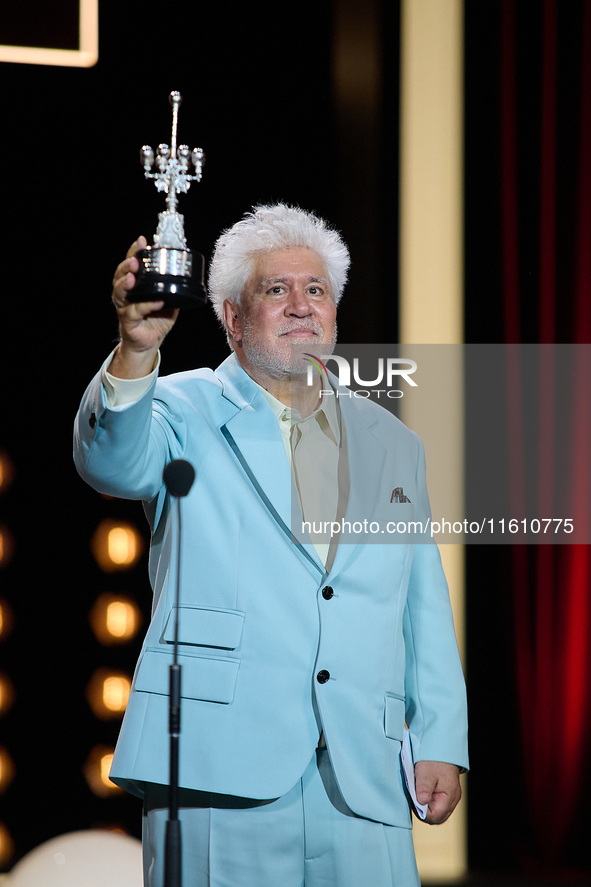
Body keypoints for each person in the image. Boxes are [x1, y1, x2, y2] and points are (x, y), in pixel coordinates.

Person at [74, 204, 468, 887]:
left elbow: (422, 604)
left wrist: (439, 738)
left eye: (315, 290)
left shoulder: (391, 441)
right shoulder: (179, 407)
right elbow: (109, 461)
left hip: (362, 777)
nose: (299, 306)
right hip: (215, 769)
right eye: (274, 290)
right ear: (230, 315)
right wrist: (135, 350)